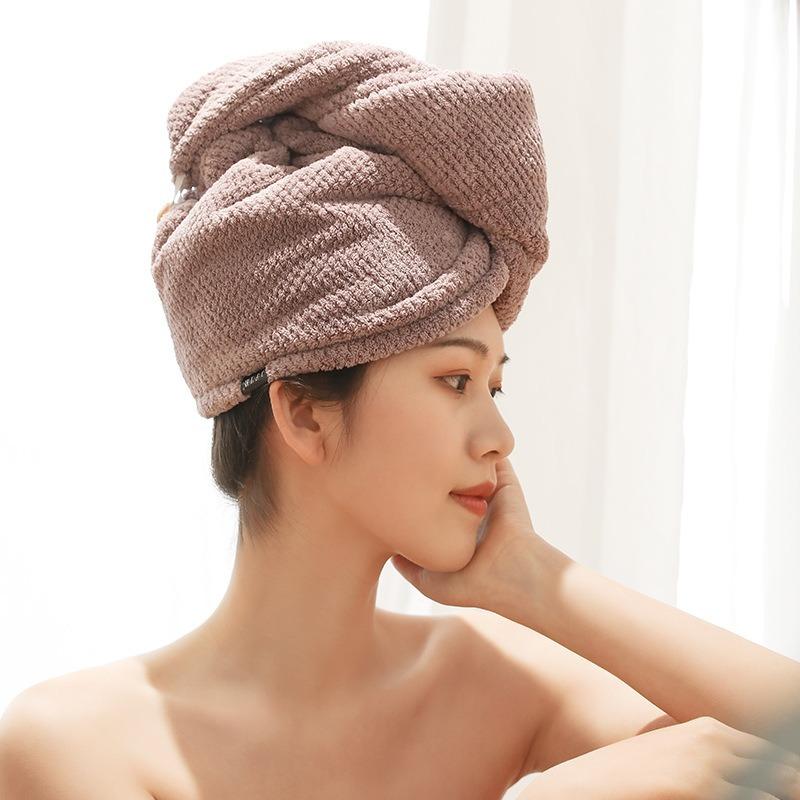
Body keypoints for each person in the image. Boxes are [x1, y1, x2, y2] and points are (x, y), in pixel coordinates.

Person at [2, 39, 799, 800]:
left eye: (494, 387)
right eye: (455, 380)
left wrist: (536, 580)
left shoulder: (495, 683)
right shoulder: (77, 746)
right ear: (305, 414)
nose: (501, 438)